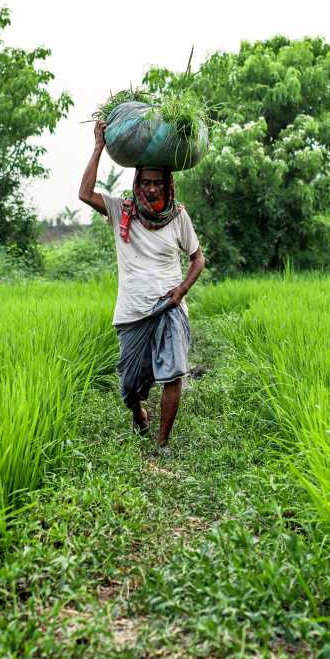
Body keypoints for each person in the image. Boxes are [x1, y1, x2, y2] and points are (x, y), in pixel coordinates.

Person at [79, 119, 205, 451]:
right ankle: (139, 414)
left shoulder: (178, 216)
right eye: (146, 182)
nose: (151, 189)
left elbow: (198, 259)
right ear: (138, 182)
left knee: (174, 373)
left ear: (167, 185)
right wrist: (98, 147)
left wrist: (181, 291)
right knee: (130, 386)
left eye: (157, 184)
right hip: (132, 312)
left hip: (170, 307)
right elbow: (84, 194)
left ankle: (162, 443)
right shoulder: (123, 210)